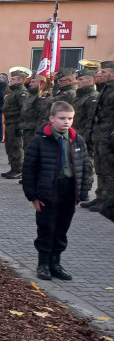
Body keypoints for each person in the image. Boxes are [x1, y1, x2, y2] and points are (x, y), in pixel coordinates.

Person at [22, 101, 93, 282]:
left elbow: (85, 166)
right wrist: (33, 196)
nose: (66, 122)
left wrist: (83, 192)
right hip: (48, 190)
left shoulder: (77, 139)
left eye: (70, 118)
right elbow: (29, 169)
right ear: (52, 118)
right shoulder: (40, 140)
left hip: (69, 190)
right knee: (46, 227)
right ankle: (43, 263)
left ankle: (56, 262)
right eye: (62, 118)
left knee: (61, 228)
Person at [83, 60, 114, 212]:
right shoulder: (105, 89)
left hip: (109, 138)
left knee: (109, 171)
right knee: (100, 169)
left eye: (103, 72)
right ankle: (100, 196)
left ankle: (108, 201)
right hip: (100, 136)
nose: (99, 74)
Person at [1, 67, 31, 179]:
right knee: (9, 146)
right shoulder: (13, 92)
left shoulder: (22, 93)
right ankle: (13, 168)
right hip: (9, 122)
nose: (10, 81)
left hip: (16, 123)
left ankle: (18, 169)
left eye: (13, 79)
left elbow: (24, 110)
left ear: (20, 80)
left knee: (16, 147)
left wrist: (21, 126)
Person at [72, 61, 100, 135]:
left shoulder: (92, 97)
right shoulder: (79, 96)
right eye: (77, 79)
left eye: (80, 79)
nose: (77, 82)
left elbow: (91, 121)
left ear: (89, 81)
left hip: (82, 135)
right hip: (74, 133)